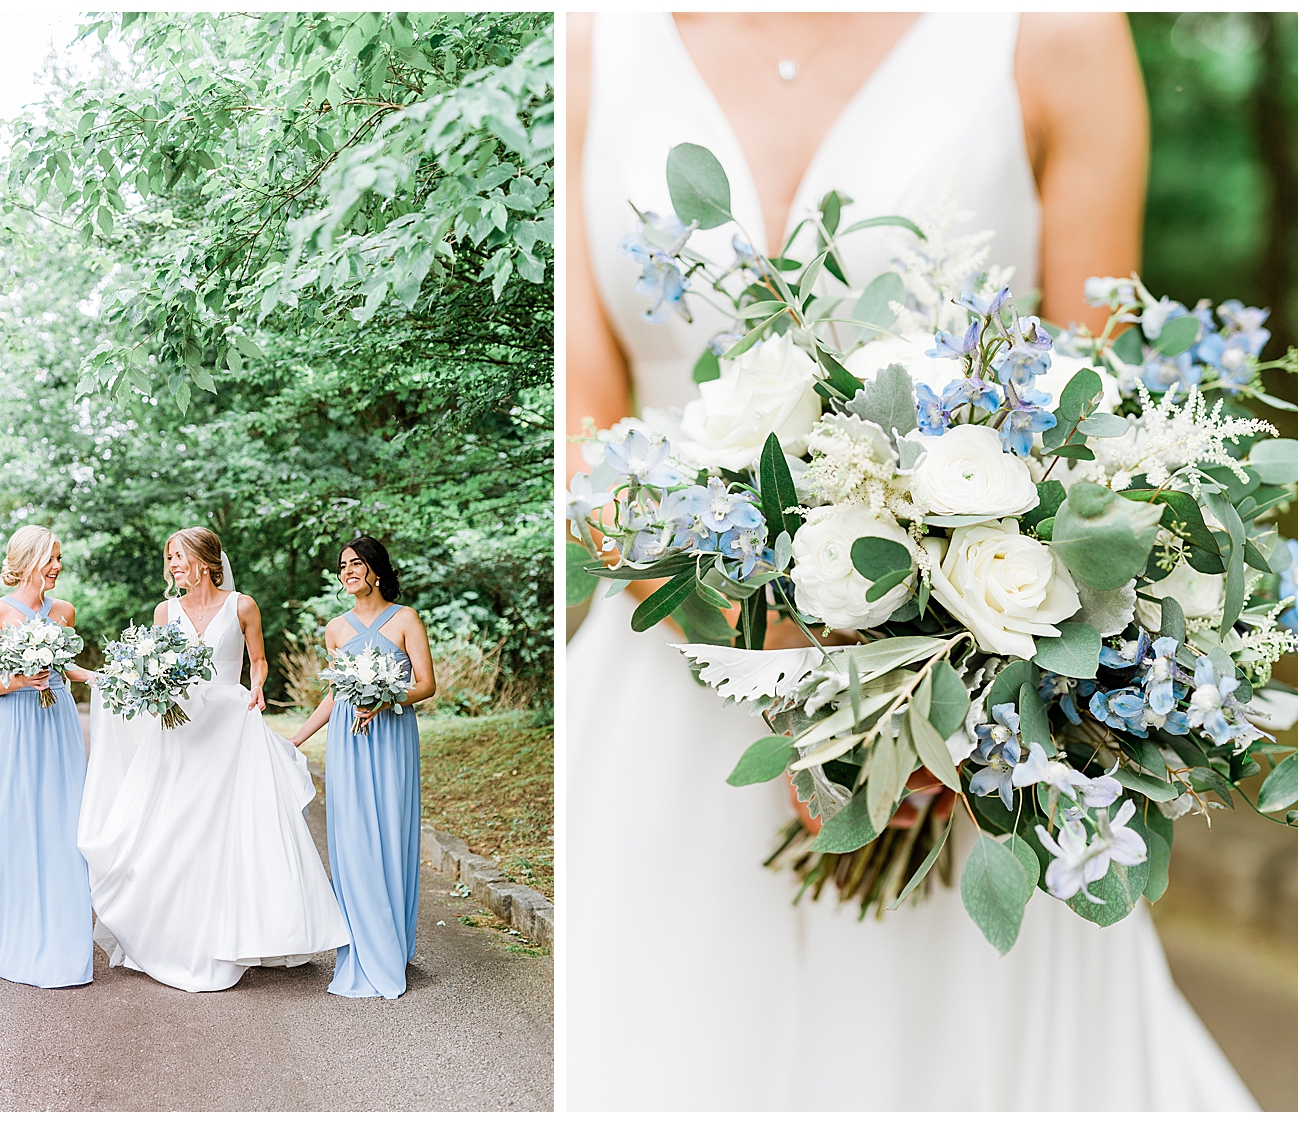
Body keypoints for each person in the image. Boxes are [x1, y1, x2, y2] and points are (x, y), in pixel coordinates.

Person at [566, 12, 1257, 1110]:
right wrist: (765, 637)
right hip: (669, 684)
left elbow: (1100, 435)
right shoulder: (587, 39)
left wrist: (928, 682)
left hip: (970, 717)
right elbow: (585, 430)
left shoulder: (1059, 32)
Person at [77, 527, 349, 992]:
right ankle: (175, 936)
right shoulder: (166, 611)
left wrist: (259, 683)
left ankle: (240, 932)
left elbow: (258, 660)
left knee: (230, 830)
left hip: (229, 723)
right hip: (179, 728)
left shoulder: (242, 605)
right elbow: (149, 667)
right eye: (169, 559)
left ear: (205, 559)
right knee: (174, 828)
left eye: (179, 557)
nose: (173, 566)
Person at [0, 525, 95, 988]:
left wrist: (112, 678)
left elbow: (66, 667)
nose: (58, 566)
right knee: (12, 824)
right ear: (29, 560)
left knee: (65, 823)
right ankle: (0, 934)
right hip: (13, 726)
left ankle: (65, 932)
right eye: (52, 558)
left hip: (58, 723)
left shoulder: (64, 611)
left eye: (60, 558)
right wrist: (21, 680)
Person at [291, 536, 436, 998]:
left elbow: (426, 685)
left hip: (392, 738)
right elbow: (334, 694)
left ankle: (391, 946)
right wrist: (294, 739)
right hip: (348, 743)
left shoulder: (406, 619)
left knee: (391, 837)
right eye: (342, 566)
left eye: (356, 563)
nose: (348, 571)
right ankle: (360, 946)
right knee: (353, 841)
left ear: (375, 570)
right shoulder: (336, 628)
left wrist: (386, 697)